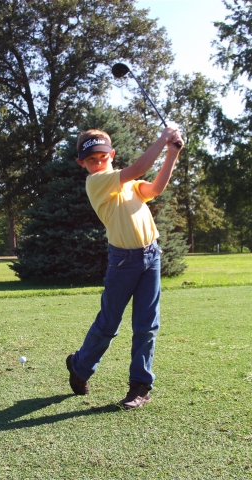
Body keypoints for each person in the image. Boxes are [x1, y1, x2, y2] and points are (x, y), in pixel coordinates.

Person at [66, 126, 184, 409]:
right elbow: (140, 166)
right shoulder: (97, 182)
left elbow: (154, 187)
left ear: (111, 155)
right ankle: (80, 367)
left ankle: (140, 387)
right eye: (91, 159)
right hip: (123, 261)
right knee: (109, 324)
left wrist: (172, 153)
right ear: (82, 162)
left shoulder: (129, 185)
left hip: (151, 256)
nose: (98, 162)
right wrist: (163, 138)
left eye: (102, 157)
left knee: (147, 325)